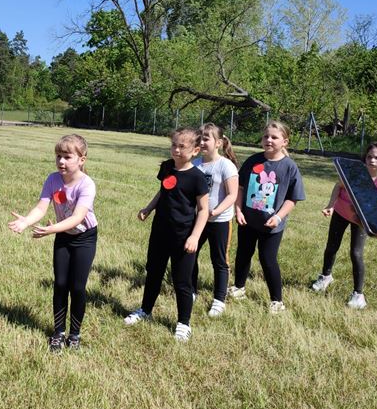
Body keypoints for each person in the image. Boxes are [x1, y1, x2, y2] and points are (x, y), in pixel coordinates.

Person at [8, 134, 98, 352]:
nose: (61, 161)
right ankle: (58, 332)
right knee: (60, 284)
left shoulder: (86, 184)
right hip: (63, 237)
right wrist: (26, 222)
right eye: (58, 156)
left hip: (85, 238)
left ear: (82, 160)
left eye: (67, 157)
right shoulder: (52, 179)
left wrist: (51, 229)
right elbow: (41, 208)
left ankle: (74, 334)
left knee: (77, 287)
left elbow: (77, 218)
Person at [124, 127, 209, 342]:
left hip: (183, 237)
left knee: (182, 281)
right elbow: (163, 191)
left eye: (182, 146)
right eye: (174, 145)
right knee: (153, 273)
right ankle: (145, 310)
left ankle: (183, 323)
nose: (176, 150)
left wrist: (194, 237)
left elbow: (203, 210)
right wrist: (148, 208)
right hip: (160, 233)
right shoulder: (167, 167)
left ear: (195, 150)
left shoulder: (198, 178)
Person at [311, 142, 377, 308]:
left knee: (356, 253)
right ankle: (325, 276)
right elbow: (338, 186)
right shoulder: (354, 173)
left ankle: (358, 294)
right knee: (331, 247)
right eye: (369, 156)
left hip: (361, 220)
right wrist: (331, 205)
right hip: (340, 213)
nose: (372, 160)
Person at [228, 121, 305, 314]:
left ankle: (277, 301)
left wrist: (278, 217)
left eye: (274, 137)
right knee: (243, 254)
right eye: (266, 136)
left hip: (271, 225)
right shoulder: (253, 161)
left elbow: (293, 198)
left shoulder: (289, 167)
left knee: (268, 259)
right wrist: (238, 210)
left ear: (285, 142)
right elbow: (240, 188)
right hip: (247, 220)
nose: (268, 140)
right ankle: (239, 288)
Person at [192, 123, 239, 318]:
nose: (202, 142)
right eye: (200, 139)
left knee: (219, 260)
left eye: (206, 139)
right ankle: (191, 291)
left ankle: (219, 300)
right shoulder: (195, 164)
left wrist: (216, 211)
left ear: (218, 143)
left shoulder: (225, 165)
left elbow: (232, 195)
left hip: (220, 221)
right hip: (198, 220)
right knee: (190, 254)